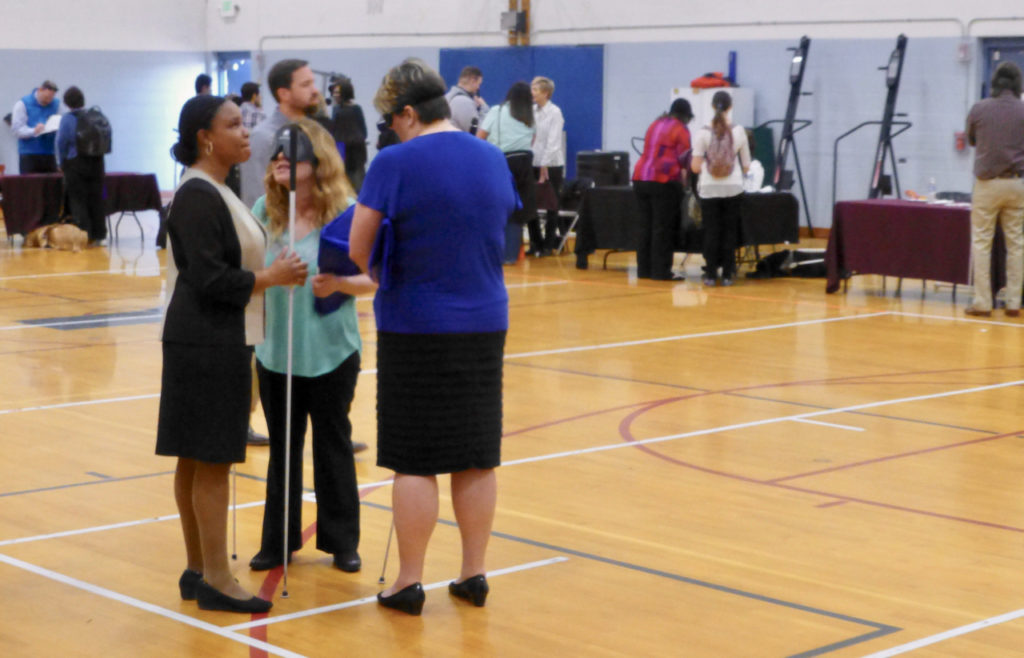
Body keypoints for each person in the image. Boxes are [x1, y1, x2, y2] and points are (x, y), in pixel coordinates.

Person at [349, 58, 519, 616]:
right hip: (485, 318)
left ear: (406, 113)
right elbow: (504, 235)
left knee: (414, 458)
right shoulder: (492, 157)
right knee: (475, 454)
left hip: (416, 322)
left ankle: (409, 581)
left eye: (391, 120)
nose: (390, 131)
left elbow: (358, 249)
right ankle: (474, 574)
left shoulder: (395, 162)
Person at [156, 94, 307, 614]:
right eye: (233, 124)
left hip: (207, 338)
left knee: (196, 456)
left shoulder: (216, 189)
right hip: (207, 341)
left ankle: (199, 569)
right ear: (205, 137)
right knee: (211, 459)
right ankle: (217, 577)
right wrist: (273, 277)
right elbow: (210, 278)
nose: (245, 132)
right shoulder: (199, 194)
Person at [247, 118, 375, 573]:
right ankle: (277, 541)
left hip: (330, 351)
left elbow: (374, 277)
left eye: (291, 154)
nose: (280, 160)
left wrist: (338, 283)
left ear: (316, 161)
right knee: (283, 448)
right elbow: (247, 272)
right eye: (277, 155)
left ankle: (342, 541)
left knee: (332, 443)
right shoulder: (264, 209)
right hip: (276, 352)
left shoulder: (346, 213)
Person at [964, 61, 1024, 318]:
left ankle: (982, 302)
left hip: (987, 184)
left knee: (981, 243)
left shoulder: (979, 108)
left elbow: (971, 139)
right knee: (1017, 245)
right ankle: (1013, 302)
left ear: (994, 83)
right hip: (1016, 183)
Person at [239, 59, 319, 208]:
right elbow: (257, 200)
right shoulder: (264, 137)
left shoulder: (315, 134)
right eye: (305, 85)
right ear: (284, 93)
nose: (315, 91)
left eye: (313, 83)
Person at [691, 90, 751, 287]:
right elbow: (746, 165)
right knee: (729, 231)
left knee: (711, 231)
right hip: (733, 188)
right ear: (730, 106)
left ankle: (710, 274)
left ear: (712, 106)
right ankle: (727, 274)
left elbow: (695, 167)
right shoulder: (739, 131)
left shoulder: (703, 132)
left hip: (709, 188)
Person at [631, 98, 694, 281]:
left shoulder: (654, 124)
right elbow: (685, 162)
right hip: (663, 180)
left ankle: (644, 270)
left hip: (640, 178)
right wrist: (686, 186)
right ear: (686, 116)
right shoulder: (681, 129)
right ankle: (660, 272)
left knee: (645, 226)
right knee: (662, 228)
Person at [477, 81, 535, 264]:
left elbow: (481, 137)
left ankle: (493, 252)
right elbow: (533, 140)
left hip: (502, 161)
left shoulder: (497, 111)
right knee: (518, 208)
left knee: (496, 205)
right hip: (525, 163)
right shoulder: (530, 116)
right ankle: (511, 254)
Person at [56, 86, 106, 244]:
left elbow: (61, 142)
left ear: (66, 103)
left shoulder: (67, 119)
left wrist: (61, 162)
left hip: (76, 162)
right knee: (96, 198)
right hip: (97, 162)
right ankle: (99, 235)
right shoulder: (96, 116)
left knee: (78, 200)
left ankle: (84, 235)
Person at [530, 76, 566, 255]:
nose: (532, 93)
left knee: (551, 205)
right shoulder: (531, 111)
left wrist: (544, 163)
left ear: (545, 93)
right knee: (531, 204)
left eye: (535, 90)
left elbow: (553, 142)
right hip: (533, 162)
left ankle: (549, 244)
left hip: (551, 164)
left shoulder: (555, 112)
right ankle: (535, 242)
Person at [10, 80, 60, 174]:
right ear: (40, 90)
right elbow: (16, 130)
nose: (48, 101)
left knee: (51, 186)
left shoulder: (56, 104)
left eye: (51, 98)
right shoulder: (23, 104)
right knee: (30, 186)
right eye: (46, 98)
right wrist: (34, 131)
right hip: (29, 154)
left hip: (49, 153)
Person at [330, 75, 369, 192]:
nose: (335, 94)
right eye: (334, 92)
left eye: (337, 92)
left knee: (357, 182)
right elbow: (364, 131)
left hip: (353, 149)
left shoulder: (353, 109)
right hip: (345, 148)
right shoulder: (339, 109)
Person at [445, 65, 489, 134]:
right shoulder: (463, 102)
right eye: (479, 84)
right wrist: (483, 108)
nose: (478, 88)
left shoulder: (448, 97)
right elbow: (478, 132)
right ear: (472, 81)